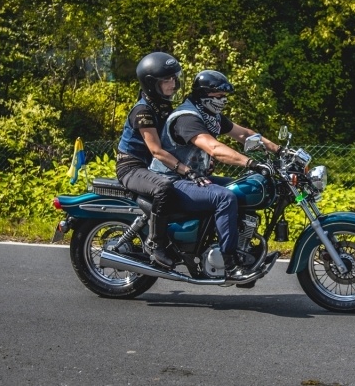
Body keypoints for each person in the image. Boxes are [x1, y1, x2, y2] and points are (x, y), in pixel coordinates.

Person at [149, 70, 281, 282]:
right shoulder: (186, 119)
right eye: (218, 96)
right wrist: (251, 163)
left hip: (193, 178)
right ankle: (230, 264)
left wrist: (279, 150)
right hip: (173, 180)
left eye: (224, 96)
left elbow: (244, 134)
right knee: (224, 197)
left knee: (239, 188)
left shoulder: (209, 116)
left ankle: (243, 251)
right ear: (204, 95)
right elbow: (215, 148)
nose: (223, 100)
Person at [116, 52, 187, 269]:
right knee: (163, 187)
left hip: (147, 167)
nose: (172, 83)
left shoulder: (163, 106)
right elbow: (156, 150)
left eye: (174, 78)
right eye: (166, 80)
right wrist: (184, 168)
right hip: (131, 167)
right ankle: (156, 244)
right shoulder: (142, 111)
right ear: (151, 84)